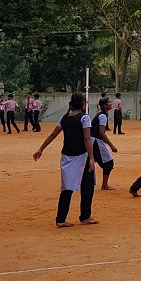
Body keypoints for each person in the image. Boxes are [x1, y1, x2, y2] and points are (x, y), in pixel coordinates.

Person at [33, 92, 99, 227]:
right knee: (87, 186)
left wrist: (41, 149)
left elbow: (53, 134)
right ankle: (85, 215)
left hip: (67, 156)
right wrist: (91, 158)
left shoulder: (64, 118)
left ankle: (61, 218)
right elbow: (87, 138)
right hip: (81, 156)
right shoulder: (84, 118)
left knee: (66, 187)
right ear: (82, 104)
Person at [91, 96, 119, 190]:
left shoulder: (102, 115)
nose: (111, 103)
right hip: (96, 141)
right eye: (109, 102)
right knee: (108, 162)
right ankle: (104, 185)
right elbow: (101, 132)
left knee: (89, 162)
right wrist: (111, 145)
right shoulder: (102, 116)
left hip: (94, 140)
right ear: (104, 105)